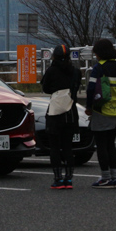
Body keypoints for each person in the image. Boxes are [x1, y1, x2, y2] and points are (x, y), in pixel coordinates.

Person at [85, 38, 116, 188]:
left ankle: (105, 177)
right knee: (111, 145)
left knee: (101, 145)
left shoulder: (99, 68)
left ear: (99, 53)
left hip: (101, 110)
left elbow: (90, 89)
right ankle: (114, 177)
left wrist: (89, 106)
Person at [40, 44, 81, 189]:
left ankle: (58, 179)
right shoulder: (76, 71)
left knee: (55, 147)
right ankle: (69, 179)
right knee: (68, 147)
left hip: (55, 112)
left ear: (54, 57)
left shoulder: (51, 71)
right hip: (70, 112)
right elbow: (77, 88)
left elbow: (45, 88)